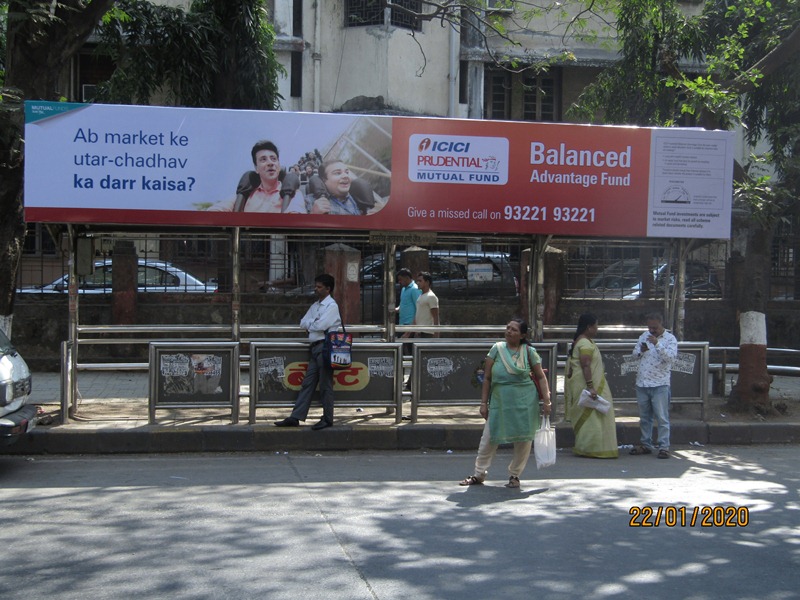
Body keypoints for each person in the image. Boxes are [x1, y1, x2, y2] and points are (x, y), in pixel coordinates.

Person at [459, 318, 552, 488]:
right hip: (500, 401)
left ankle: (515, 475)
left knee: (524, 440)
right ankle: (479, 474)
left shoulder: (529, 352)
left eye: (514, 330)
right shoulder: (497, 349)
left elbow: (541, 377)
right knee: (489, 437)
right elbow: (487, 378)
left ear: (522, 335)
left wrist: (547, 401)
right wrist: (483, 403)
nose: (509, 331)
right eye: (508, 328)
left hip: (525, 403)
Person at [274, 274, 341, 430]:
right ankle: (296, 416)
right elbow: (303, 322)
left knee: (325, 384)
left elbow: (320, 326)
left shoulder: (332, 306)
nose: (316, 290)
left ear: (328, 289)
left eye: (319, 287)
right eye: (316, 287)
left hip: (325, 347)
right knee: (308, 383)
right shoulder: (316, 306)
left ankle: (327, 418)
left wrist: (312, 323)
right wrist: (313, 323)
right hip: (315, 348)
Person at [564, 313, 619, 458]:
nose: (597, 329)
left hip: (584, 385)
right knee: (593, 417)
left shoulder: (581, 342)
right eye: (596, 326)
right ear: (589, 327)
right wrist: (591, 387)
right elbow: (586, 365)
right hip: (588, 386)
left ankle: (588, 447)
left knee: (593, 416)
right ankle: (591, 448)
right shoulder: (584, 344)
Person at [208, 140, 306, 213]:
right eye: (263, 160)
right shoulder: (245, 194)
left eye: (273, 159)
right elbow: (214, 211)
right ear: (256, 168)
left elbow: (297, 214)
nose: (270, 163)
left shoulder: (293, 194)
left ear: (279, 166)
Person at [630, 312, 679, 459]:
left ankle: (664, 446)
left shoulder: (670, 339)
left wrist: (657, 344)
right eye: (650, 327)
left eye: (655, 328)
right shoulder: (643, 336)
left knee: (662, 417)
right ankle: (646, 443)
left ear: (661, 324)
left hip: (660, 384)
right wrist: (640, 351)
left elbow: (670, 358)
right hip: (643, 382)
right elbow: (633, 354)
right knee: (645, 417)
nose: (652, 330)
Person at [307, 160, 377, 215]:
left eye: (347, 172)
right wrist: (313, 214)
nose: (345, 176)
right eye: (337, 173)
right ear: (324, 180)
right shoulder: (310, 202)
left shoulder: (359, 199)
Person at [395, 268, 422, 360]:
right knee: (400, 350)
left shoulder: (414, 289)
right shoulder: (404, 289)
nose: (399, 282)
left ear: (406, 278)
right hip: (402, 324)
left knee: (411, 350)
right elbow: (404, 304)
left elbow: (419, 308)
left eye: (401, 279)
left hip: (410, 325)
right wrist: (397, 309)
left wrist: (412, 328)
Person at [413, 272, 439, 338]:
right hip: (419, 332)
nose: (418, 283)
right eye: (417, 281)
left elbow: (436, 317)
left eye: (420, 281)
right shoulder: (421, 296)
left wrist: (436, 334)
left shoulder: (431, 296)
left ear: (427, 282)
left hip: (427, 332)